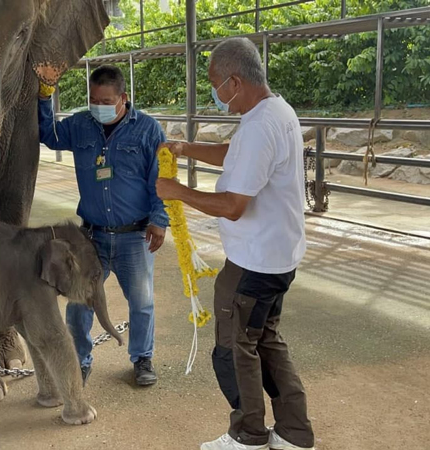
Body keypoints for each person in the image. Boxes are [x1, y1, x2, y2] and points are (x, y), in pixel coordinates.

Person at [156, 38, 316, 450]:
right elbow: (236, 154)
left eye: (215, 84)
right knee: (266, 341)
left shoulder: (261, 124)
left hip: (253, 263)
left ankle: (248, 434)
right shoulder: (276, 112)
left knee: (233, 348)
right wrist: (187, 148)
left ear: (234, 80)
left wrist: (177, 191)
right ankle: (294, 433)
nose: (215, 93)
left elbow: (232, 206)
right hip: (279, 257)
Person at [38, 65, 169, 387]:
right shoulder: (81, 124)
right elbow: (48, 135)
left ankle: (142, 358)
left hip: (134, 235)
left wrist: (159, 220)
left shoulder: (148, 130)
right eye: (94, 99)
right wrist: (45, 95)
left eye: (106, 100)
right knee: (79, 303)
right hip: (91, 236)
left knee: (141, 302)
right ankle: (79, 361)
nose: (99, 105)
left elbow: (161, 180)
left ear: (123, 97)